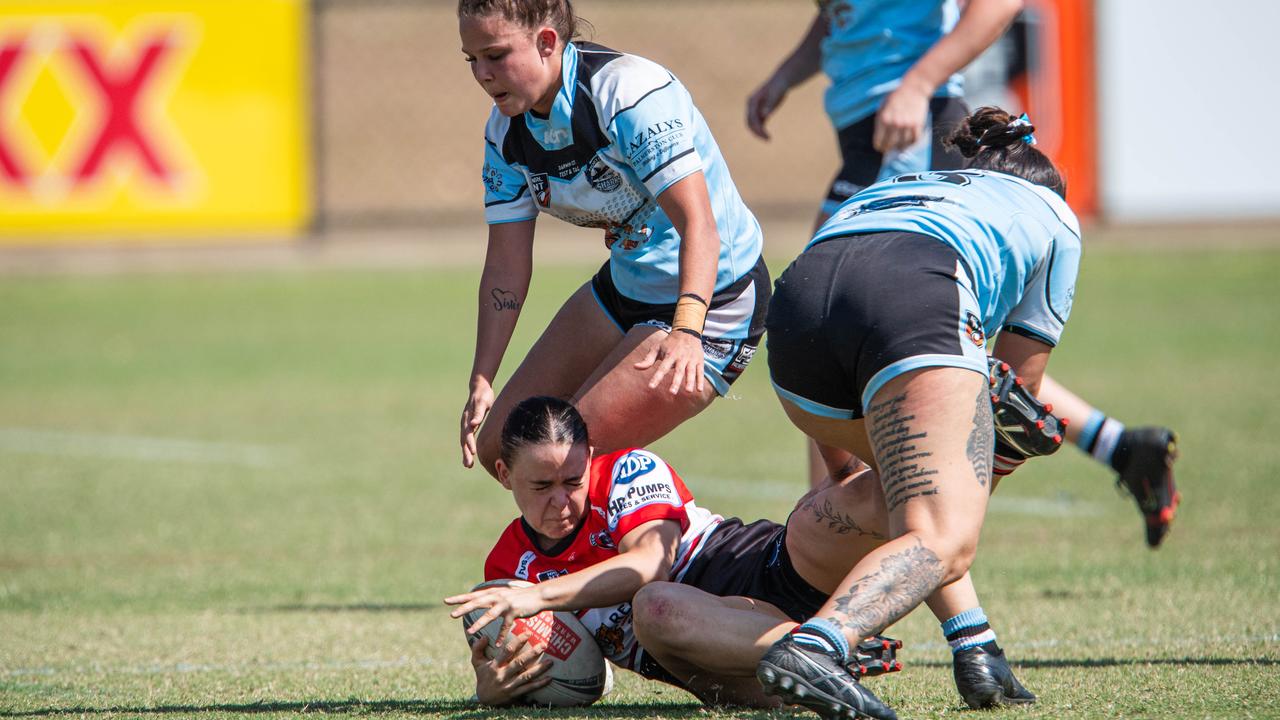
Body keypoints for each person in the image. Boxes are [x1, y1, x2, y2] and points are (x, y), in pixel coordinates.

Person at [745, 0, 1180, 547]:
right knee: (923, 334)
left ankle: (841, 553)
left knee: (834, 317)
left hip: (906, 132)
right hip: (875, 137)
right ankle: (1121, 446)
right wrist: (787, 74)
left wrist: (916, 84)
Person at [756, 107, 1080, 720]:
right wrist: (990, 470)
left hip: (796, 325)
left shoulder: (900, 185)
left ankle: (975, 644)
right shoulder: (1055, 215)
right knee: (947, 524)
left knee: (900, 498)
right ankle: (817, 645)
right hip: (912, 292)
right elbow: (1017, 385)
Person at [457, 0, 768, 480]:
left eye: (495, 55)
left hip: (714, 302)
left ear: (546, 42)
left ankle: (649, 549)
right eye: (471, 59)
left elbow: (699, 225)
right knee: (504, 445)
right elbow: (505, 265)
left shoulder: (626, 93)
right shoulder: (505, 135)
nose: (481, 73)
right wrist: (483, 378)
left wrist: (687, 330)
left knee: (563, 463)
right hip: (626, 289)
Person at [444, 396, 915, 710]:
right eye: (541, 486)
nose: (562, 500)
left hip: (766, 568)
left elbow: (651, 564)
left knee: (839, 506)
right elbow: (584, 677)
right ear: (505, 475)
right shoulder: (508, 568)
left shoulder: (628, 470)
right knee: (657, 613)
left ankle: (973, 446)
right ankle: (818, 653)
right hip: (709, 663)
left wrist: (538, 598)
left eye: (573, 481)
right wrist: (493, 689)